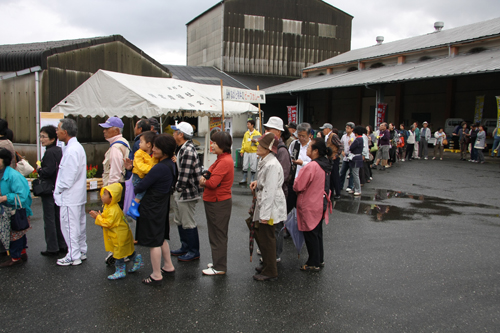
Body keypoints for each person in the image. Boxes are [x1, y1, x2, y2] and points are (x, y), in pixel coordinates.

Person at [134, 134, 177, 285]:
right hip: (162, 205)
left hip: (152, 206)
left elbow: (141, 186)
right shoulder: (171, 164)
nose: (153, 149)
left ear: (164, 151)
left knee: (154, 242)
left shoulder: (159, 167)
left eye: (156, 148)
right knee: (161, 237)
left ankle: (156, 275)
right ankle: (168, 265)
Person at [249, 133, 286, 281]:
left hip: (270, 208)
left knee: (268, 238)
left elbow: (270, 191)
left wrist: (264, 215)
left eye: (261, 145)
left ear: (268, 149)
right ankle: (267, 265)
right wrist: (258, 182)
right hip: (267, 204)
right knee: (265, 237)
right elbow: (267, 184)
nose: (257, 146)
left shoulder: (271, 165)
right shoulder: (267, 161)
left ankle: (270, 270)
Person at [293, 138, 332, 271]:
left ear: (316, 151)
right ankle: (319, 259)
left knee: (310, 234)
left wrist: (296, 179)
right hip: (320, 202)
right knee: (317, 233)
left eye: (309, 147)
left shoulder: (312, 166)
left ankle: (313, 262)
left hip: (309, 203)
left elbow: (298, 185)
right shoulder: (324, 164)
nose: (307, 149)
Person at [90, 183, 142, 280]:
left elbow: (108, 223)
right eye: (103, 193)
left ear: (112, 198)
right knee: (125, 250)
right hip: (119, 233)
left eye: (105, 194)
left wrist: (97, 217)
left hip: (119, 235)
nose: (102, 196)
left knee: (118, 253)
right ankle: (136, 259)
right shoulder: (109, 206)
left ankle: (120, 270)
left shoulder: (113, 209)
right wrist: (101, 216)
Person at [199, 131, 234, 275]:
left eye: (214, 143)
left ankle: (219, 267)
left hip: (218, 201)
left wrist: (203, 181)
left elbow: (212, 182)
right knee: (216, 233)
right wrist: (205, 179)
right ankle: (218, 262)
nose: (212, 145)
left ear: (222, 145)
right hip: (216, 200)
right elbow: (208, 176)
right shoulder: (222, 158)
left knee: (218, 234)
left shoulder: (224, 161)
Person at [54, 119, 88, 266]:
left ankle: (73, 255)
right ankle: (80, 251)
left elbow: (67, 177)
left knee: (69, 225)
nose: (56, 132)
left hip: (70, 195)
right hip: (77, 194)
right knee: (78, 224)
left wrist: (59, 190)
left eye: (58, 129)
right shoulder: (76, 147)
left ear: (65, 132)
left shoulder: (72, 149)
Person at [170, 122, 203, 262]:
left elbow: (184, 176)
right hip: (182, 191)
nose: (173, 134)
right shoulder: (182, 148)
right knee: (180, 221)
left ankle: (193, 251)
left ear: (181, 134)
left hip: (186, 192)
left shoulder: (187, 150)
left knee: (188, 222)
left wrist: (176, 189)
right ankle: (185, 247)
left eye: (175, 131)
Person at [259, 117, 290, 262]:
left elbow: (280, 176)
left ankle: (274, 255)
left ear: (277, 132)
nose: (266, 132)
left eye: (269, 129)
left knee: (275, 227)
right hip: (270, 193)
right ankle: (269, 253)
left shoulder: (281, 151)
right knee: (270, 228)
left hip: (277, 194)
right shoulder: (272, 149)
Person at [0, 148, 33, 267]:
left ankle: (15, 258)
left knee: (15, 234)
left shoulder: (14, 176)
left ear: (4, 160)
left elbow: (22, 196)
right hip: (8, 210)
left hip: (17, 210)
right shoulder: (4, 173)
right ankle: (22, 253)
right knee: (19, 233)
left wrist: (4, 198)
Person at [37, 125, 66, 256]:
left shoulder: (49, 152)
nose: (41, 139)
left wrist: (39, 169)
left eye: (44, 137)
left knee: (49, 219)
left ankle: (52, 247)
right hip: (57, 188)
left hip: (48, 189)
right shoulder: (59, 150)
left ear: (52, 138)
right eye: (41, 136)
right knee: (58, 218)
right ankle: (62, 244)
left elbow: (48, 171)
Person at [126, 131, 158, 218]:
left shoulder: (153, 155)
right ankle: (133, 206)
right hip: (138, 177)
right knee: (142, 191)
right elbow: (141, 167)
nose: (139, 144)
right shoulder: (139, 153)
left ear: (148, 144)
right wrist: (153, 170)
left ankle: (133, 210)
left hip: (145, 177)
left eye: (141, 142)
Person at [287, 123, 312, 212]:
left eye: (303, 136)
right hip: (294, 177)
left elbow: (315, 163)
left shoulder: (312, 146)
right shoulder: (294, 144)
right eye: (299, 135)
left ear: (309, 135)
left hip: (306, 179)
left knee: (303, 205)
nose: (301, 138)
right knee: (290, 202)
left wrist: (303, 163)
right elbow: (289, 156)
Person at [100, 117, 130, 188]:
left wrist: (109, 192)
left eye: (107, 129)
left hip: (114, 189)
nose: (104, 131)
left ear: (116, 131)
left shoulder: (115, 147)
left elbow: (115, 174)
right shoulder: (124, 142)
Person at [239, 119, 261, 184]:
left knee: (253, 166)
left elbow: (260, 143)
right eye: (247, 124)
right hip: (246, 152)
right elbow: (243, 142)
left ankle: (252, 179)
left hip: (253, 152)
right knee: (245, 165)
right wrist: (242, 151)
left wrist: (255, 141)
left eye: (248, 124)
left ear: (252, 125)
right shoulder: (246, 133)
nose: (247, 125)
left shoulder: (257, 133)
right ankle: (244, 178)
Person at [339, 122, 355, 189]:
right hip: (345, 156)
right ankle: (340, 185)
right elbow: (341, 145)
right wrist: (342, 151)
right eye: (346, 127)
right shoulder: (344, 136)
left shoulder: (354, 136)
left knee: (352, 173)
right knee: (342, 172)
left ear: (352, 129)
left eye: (348, 128)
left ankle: (350, 186)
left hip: (352, 156)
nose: (346, 129)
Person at [349, 126, 364, 196]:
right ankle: (355, 188)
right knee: (354, 173)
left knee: (355, 174)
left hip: (355, 158)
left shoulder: (358, 139)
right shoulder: (361, 139)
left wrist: (350, 144)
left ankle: (358, 189)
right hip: (358, 157)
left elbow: (351, 148)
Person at [328, 128, 343, 200]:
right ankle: (331, 192)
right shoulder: (327, 136)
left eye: (324, 129)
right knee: (330, 176)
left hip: (334, 158)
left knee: (335, 175)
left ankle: (338, 193)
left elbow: (340, 146)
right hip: (329, 158)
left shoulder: (333, 136)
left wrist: (336, 155)